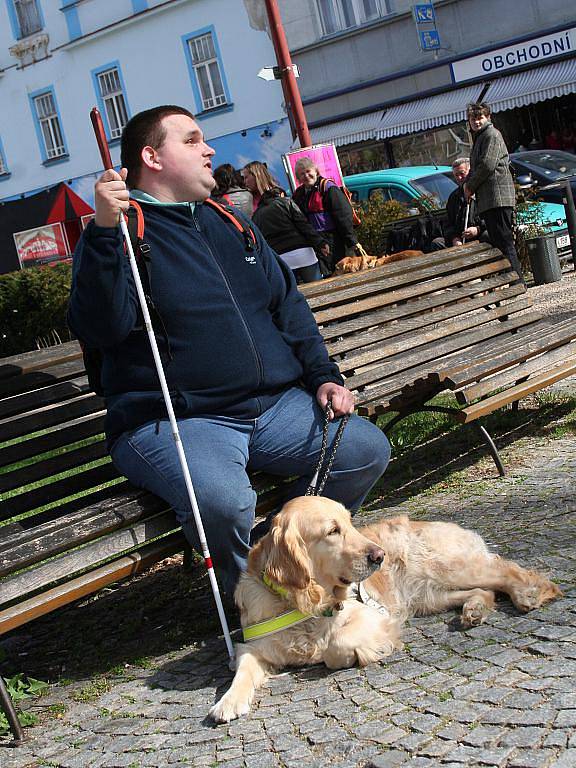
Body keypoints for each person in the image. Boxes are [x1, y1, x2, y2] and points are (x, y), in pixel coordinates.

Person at [67, 105, 390, 595]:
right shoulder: (123, 231)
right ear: (152, 157)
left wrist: (324, 375)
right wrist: (105, 234)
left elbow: (286, 305)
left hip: (273, 407)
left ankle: (283, 566)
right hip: (178, 420)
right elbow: (100, 326)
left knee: (364, 449)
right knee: (224, 501)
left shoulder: (231, 221)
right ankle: (255, 602)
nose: (210, 149)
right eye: (193, 140)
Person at [464, 102, 525, 285]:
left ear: (488, 117)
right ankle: (514, 280)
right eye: (473, 118)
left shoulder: (491, 134)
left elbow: (487, 165)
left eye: (480, 117)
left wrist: (470, 186)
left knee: (505, 243)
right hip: (490, 199)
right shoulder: (480, 137)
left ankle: (517, 282)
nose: (476, 121)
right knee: (500, 243)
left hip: (497, 198)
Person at [248, 161, 327, 284]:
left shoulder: (257, 215)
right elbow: (304, 225)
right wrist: (320, 243)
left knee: (294, 296)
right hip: (304, 254)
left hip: (281, 259)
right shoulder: (286, 202)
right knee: (320, 289)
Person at [291, 157, 358, 276]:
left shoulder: (328, 187)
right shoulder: (298, 195)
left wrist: (351, 242)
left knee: (339, 273)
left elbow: (343, 215)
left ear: (316, 171)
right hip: (314, 242)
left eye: (308, 171)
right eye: (302, 174)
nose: (306, 176)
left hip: (333, 240)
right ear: (298, 178)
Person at [431, 157, 489, 250]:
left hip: (479, 235)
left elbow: (491, 217)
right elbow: (447, 224)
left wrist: (477, 229)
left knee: (487, 236)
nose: (459, 178)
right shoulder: (454, 197)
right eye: (456, 175)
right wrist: (454, 238)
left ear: (470, 172)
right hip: (460, 241)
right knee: (437, 243)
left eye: (462, 173)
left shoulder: (482, 193)